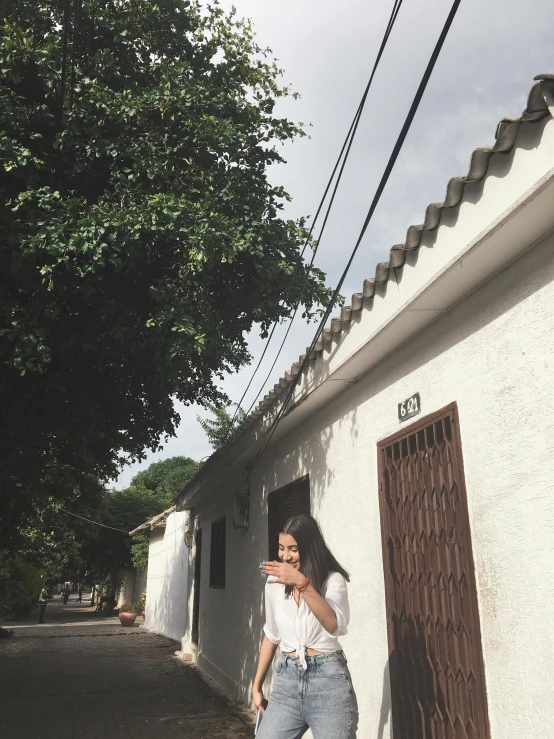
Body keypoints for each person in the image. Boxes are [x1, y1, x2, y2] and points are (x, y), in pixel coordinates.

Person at [253, 514, 358, 739]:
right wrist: (257, 685)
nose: (285, 556)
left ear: (309, 549)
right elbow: (271, 635)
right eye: (282, 548)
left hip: (328, 683)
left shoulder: (332, 580)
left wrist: (301, 583)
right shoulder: (272, 583)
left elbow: (333, 625)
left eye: (294, 549)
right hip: (287, 683)